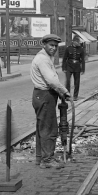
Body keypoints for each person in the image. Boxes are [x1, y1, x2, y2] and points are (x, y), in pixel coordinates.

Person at [30, 34, 71, 169]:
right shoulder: (42, 59)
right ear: (44, 45)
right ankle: (47, 160)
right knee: (48, 128)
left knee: (42, 127)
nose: (53, 48)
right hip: (44, 95)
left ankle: (40, 157)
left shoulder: (46, 57)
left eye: (55, 46)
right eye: (51, 45)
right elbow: (52, 80)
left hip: (43, 95)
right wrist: (64, 92)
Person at [62, 36, 85, 101]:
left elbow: (82, 60)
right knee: (68, 81)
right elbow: (64, 58)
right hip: (69, 66)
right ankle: (67, 96)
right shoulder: (68, 49)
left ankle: (75, 96)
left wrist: (83, 69)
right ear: (74, 42)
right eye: (78, 42)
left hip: (77, 67)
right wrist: (63, 67)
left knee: (77, 82)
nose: (79, 43)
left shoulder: (81, 49)